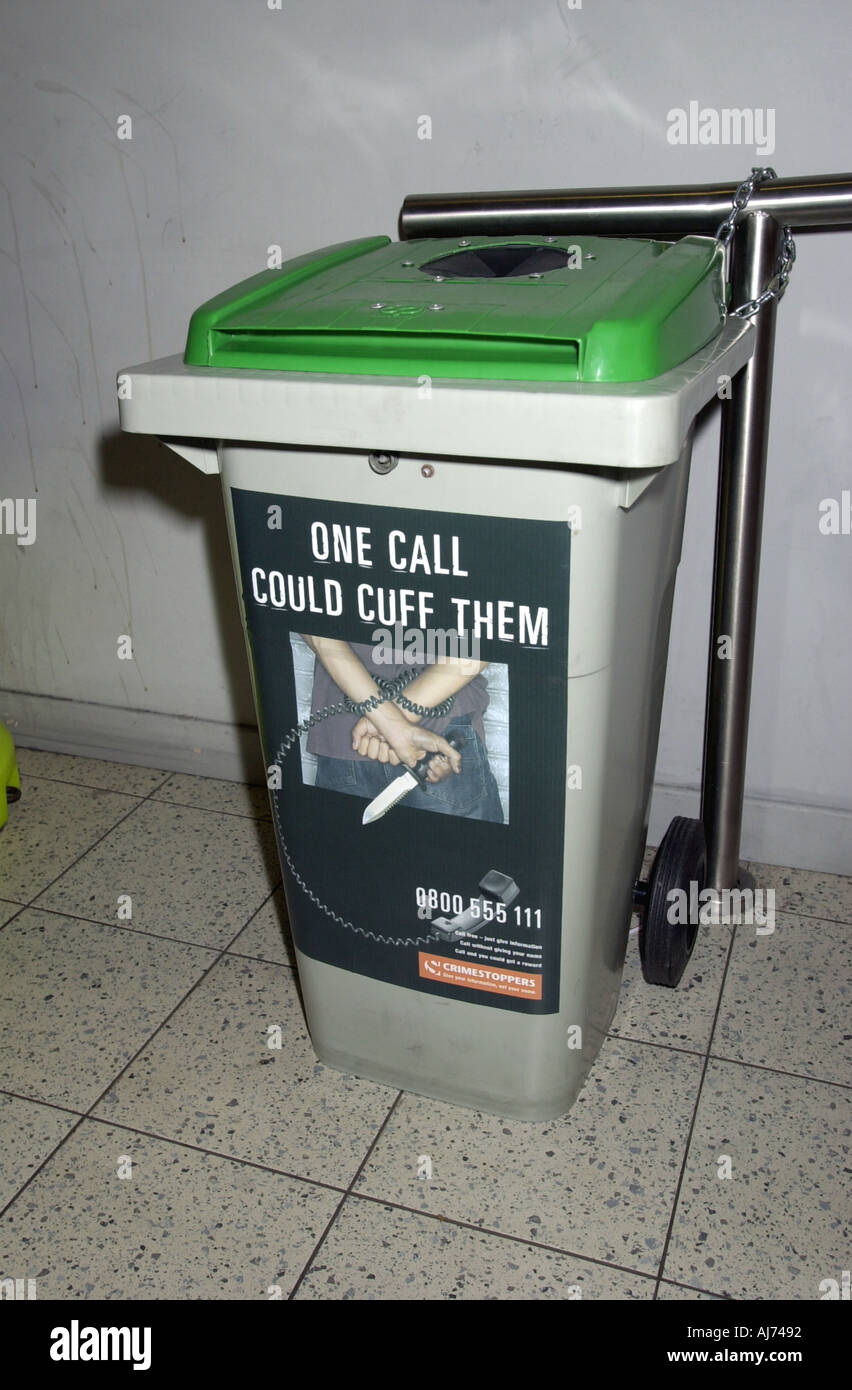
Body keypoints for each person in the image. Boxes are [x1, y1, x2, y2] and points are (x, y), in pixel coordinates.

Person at [301, 635, 504, 823]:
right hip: (437, 734)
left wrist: (386, 721)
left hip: (346, 733)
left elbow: (307, 615)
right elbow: (491, 623)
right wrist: (391, 723)